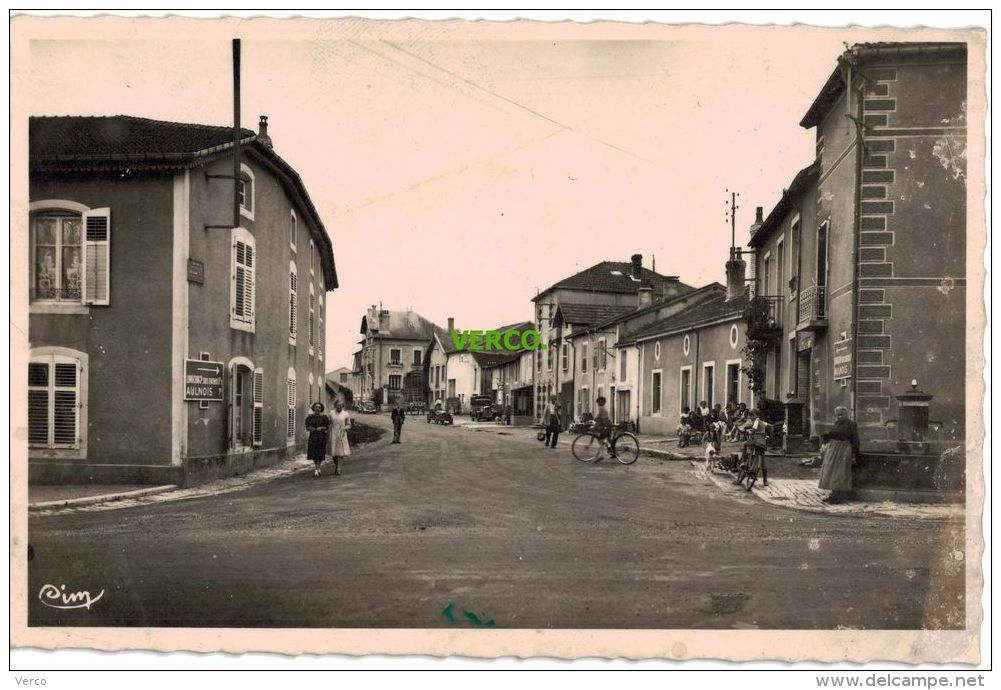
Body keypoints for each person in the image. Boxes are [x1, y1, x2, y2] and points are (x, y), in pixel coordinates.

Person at [818, 406, 860, 503]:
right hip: (834, 449)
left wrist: (854, 452)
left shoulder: (851, 424)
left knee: (840, 472)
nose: (839, 416)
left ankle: (839, 496)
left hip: (843, 449)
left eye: (842, 414)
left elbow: (855, 438)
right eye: (838, 414)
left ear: (846, 414)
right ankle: (833, 493)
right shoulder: (836, 423)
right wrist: (826, 438)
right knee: (831, 471)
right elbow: (833, 434)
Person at [734, 409, 771, 490]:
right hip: (762, 443)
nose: (751, 417)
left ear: (757, 416)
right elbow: (770, 426)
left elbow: (753, 431)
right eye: (750, 415)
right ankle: (765, 480)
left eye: (752, 415)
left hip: (755, 441)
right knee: (762, 458)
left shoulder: (756, 422)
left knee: (745, 444)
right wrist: (768, 436)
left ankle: (744, 461)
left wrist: (749, 432)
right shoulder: (762, 422)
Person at [305, 402, 330, 477]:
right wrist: (311, 428)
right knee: (314, 453)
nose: (317, 409)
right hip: (313, 436)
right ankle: (317, 467)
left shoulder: (324, 417)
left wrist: (321, 428)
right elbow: (307, 427)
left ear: (321, 409)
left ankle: (317, 469)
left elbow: (327, 427)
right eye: (316, 407)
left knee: (320, 452)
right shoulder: (310, 417)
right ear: (313, 408)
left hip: (321, 437)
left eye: (319, 407)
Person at [329, 399, 352, 476]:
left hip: (341, 434)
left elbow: (349, 424)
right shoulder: (331, 413)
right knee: (334, 452)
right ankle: (336, 466)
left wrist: (345, 428)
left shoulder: (346, 414)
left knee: (340, 452)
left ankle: (339, 469)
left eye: (341, 405)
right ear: (335, 406)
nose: (339, 407)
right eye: (337, 405)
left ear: (343, 406)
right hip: (333, 433)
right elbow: (328, 423)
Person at [592, 396, 613, 462]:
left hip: (607, 426)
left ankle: (601, 455)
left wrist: (596, 420)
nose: (598, 403)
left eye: (600, 402)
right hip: (608, 425)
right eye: (598, 402)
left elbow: (602, 419)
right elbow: (599, 417)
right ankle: (612, 453)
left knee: (601, 440)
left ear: (603, 402)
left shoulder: (601, 409)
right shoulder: (602, 408)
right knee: (607, 440)